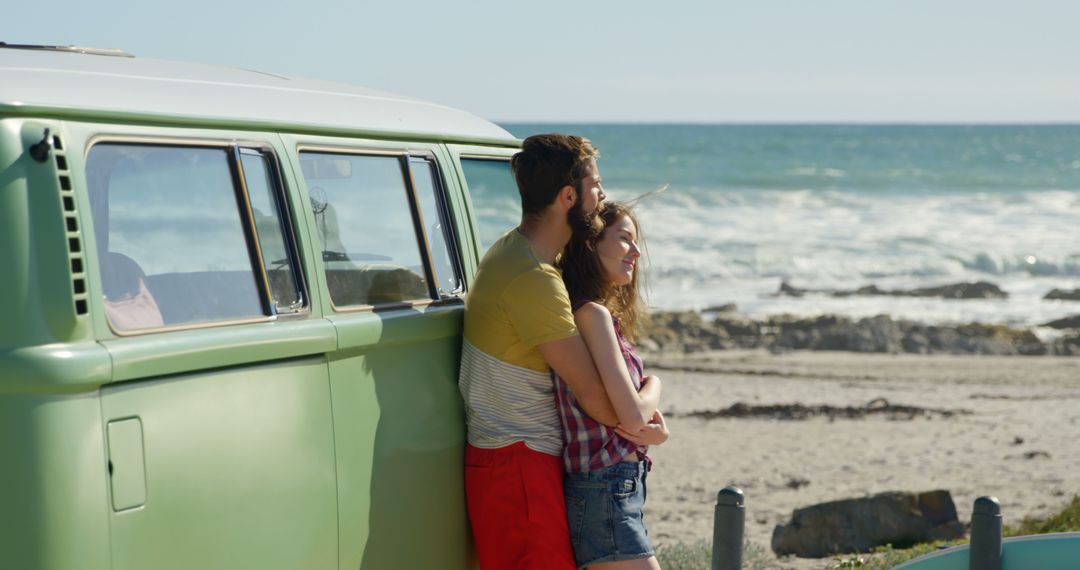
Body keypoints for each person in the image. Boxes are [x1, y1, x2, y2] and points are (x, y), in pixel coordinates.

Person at [459, 134, 660, 569]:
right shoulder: (533, 277)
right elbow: (595, 399)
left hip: (512, 460)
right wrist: (646, 420)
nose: (603, 196)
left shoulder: (511, 251)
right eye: (596, 186)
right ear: (569, 196)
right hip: (518, 462)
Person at [555, 201, 669, 569]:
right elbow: (634, 416)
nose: (636, 252)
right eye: (624, 240)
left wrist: (654, 431)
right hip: (604, 486)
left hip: (615, 485)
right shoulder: (591, 315)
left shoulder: (595, 314)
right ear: (591, 244)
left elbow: (631, 415)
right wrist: (655, 383)